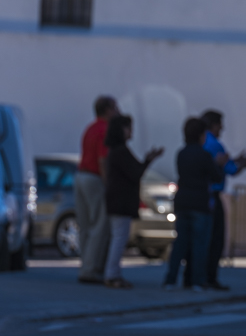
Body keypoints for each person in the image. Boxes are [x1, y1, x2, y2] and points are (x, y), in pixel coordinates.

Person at [182, 110, 246, 291]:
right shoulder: (214, 145)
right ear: (213, 125)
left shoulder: (196, 146)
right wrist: (240, 164)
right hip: (210, 196)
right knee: (214, 239)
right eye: (219, 125)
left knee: (196, 240)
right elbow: (226, 169)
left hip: (193, 196)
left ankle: (191, 276)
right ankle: (208, 276)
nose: (222, 129)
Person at [163, 118, 227, 291]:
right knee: (199, 244)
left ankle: (170, 279)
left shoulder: (181, 153)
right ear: (201, 136)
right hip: (200, 202)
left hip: (182, 200)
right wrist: (219, 165)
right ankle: (197, 281)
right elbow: (216, 176)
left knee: (180, 243)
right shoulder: (204, 155)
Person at [103, 115, 163, 289]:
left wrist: (147, 161)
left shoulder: (116, 151)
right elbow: (135, 172)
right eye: (128, 127)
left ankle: (112, 273)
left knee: (118, 237)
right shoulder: (121, 151)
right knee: (119, 238)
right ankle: (112, 274)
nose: (131, 131)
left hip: (117, 200)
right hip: (121, 201)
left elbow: (135, 170)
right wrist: (148, 161)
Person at [74, 96, 118, 284]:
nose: (118, 111)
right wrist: (109, 184)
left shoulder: (90, 128)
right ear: (108, 110)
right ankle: (91, 269)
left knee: (85, 225)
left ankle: (85, 264)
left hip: (81, 176)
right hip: (94, 178)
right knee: (100, 225)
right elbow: (103, 160)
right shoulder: (105, 130)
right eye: (115, 107)